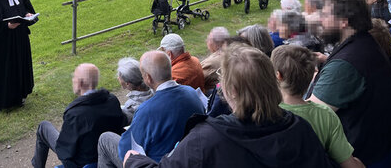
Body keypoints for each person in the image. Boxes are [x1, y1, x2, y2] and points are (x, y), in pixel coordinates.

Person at [124, 45, 338, 168]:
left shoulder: (206, 139)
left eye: (222, 78)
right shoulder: (300, 128)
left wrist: (133, 162)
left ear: (231, 91)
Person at [308, 0, 391, 166]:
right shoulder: (365, 42)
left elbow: (310, 119)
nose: (320, 19)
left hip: (362, 158)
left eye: (325, 15)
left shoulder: (346, 65)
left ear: (344, 21)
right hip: (379, 149)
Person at [97, 51, 204, 167]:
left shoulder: (147, 110)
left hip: (158, 163)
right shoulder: (192, 93)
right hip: (187, 157)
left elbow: (126, 151)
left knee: (105, 138)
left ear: (148, 78)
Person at [271, 45, 364, 168]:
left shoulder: (267, 113)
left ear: (278, 75)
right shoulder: (325, 114)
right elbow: (348, 163)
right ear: (312, 75)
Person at [32, 63, 125, 168]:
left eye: (74, 78)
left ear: (80, 83)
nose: (72, 80)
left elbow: (64, 151)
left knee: (43, 127)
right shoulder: (112, 100)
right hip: (106, 156)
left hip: (81, 163)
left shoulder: (75, 113)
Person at [116, 57, 153, 124]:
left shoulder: (131, 106)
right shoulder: (156, 90)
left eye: (120, 77)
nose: (118, 78)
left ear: (127, 83)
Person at [201, 26, 230, 91]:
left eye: (208, 39)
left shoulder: (211, 63)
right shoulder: (232, 52)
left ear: (217, 44)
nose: (206, 40)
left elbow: (197, 79)